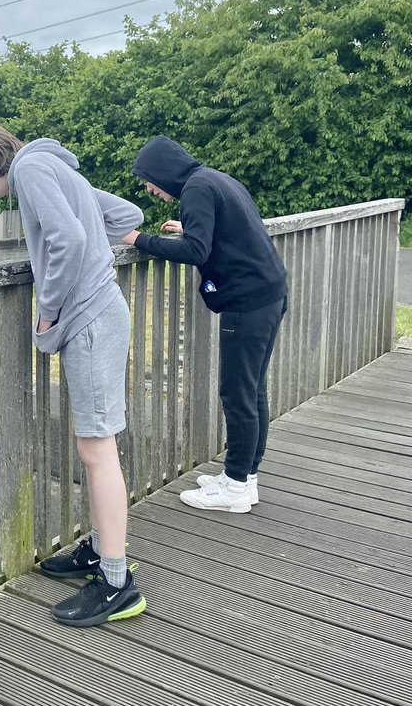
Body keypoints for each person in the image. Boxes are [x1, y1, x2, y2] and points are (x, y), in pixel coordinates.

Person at [0, 121, 146, 626]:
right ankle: (102, 551)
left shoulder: (31, 168)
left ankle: (117, 583)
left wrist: (49, 310)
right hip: (101, 313)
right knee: (95, 444)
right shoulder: (54, 165)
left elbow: (68, 238)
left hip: (86, 320)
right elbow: (127, 214)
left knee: (97, 448)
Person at [121, 136, 288, 513]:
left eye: (148, 179)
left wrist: (139, 239)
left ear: (164, 171)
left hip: (247, 302)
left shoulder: (196, 189)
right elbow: (226, 231)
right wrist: (191, 226)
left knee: (237, 393)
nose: (149, 188)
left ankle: (234, 487)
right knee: (253, 390)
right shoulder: (213, 179)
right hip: (271, 292)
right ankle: (245, 477)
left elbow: (196, 251)